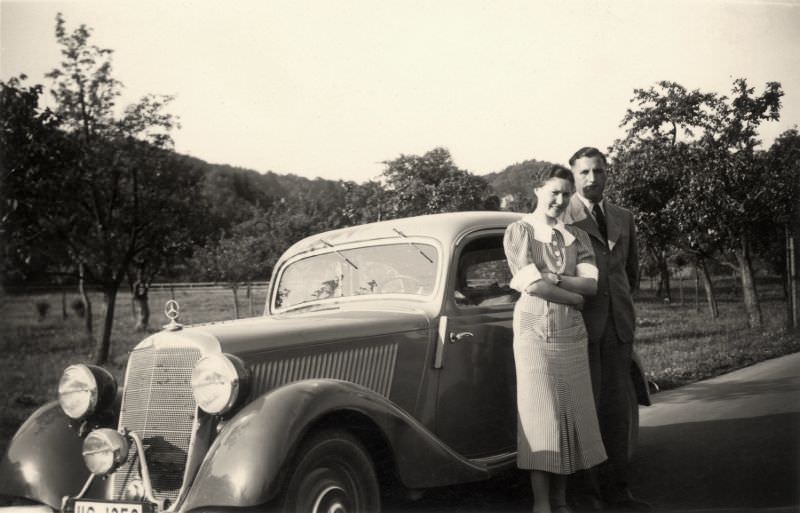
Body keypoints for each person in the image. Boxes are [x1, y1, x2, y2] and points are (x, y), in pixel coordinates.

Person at [504, 164, 607, 513]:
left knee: (567, 416)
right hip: (534, 330)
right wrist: (573, 295)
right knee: (541, 417)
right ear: (537, 192)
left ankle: (562, 504)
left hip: (571, 334)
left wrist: (557, 279)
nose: (561, 200)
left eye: (565, 193)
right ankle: (542, 506)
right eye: (554, 193)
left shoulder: (576, 236)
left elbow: (592, 285)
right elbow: (532, 284)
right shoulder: (519, 231)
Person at [564, 147, 649, 511]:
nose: (591, 178)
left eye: (598, 171)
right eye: (584, 172)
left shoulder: (623, 217)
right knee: (586, 412)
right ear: (573, 176)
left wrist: (621, 311)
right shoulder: (562, 216)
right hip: (580, 329)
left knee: (616, 412)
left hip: (617, 329)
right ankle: (589, 495)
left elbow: (631, 273)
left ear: (607, 173)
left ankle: (619, 490)